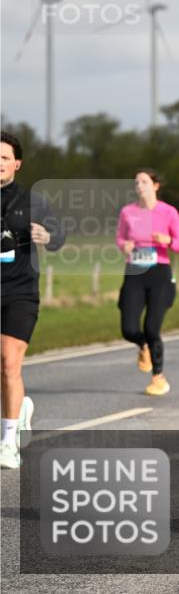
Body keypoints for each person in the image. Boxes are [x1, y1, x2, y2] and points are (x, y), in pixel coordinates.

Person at [0, 131, 66, 469]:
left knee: (10, 362)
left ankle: (8, 441)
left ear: (17, 163)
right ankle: (21, 408)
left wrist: (48, 235)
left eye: (4, 158)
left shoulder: (31, 201)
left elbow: (59, 234)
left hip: (21, 291)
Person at [116, 168, 179, 396]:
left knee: (151, 327)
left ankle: (158, 379)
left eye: (144, 182)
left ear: (155, 186)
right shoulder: (128, 212)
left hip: (159, 274)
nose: (140, 186)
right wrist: (124, 246)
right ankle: (143, 345)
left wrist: (167, 240)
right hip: (134, 272)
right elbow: (120, 237)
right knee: (129, 328)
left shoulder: (168, 212)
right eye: (137, 183)